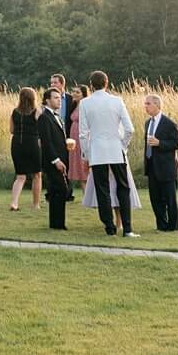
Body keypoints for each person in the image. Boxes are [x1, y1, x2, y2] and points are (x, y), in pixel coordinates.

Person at [78, 70, 136, 238]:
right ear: (107, 83)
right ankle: (127, 229)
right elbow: (130, 129)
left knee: (102, 190)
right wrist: (122, 146)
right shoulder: (117, 101)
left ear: (91, 85)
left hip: (97, 152)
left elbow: (83, 133)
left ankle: (110, 229)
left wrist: (86, 155)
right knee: (123, 188)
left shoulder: (85, 103)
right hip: (116, 150)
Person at [141, 92, 178, 232]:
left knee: (170, 199)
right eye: (145, 104)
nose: (145, 106)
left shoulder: (169, 123)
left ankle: (173, 226)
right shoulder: (147, 123)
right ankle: (161, 225)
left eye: (148, 104)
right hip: (151, 167)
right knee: (155, 199)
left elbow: (177, 144)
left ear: (157, 105)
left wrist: (160, 143)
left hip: (166, 168)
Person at [37, 86, 73, 231]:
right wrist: (56, 160)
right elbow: (46, 142)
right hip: (53, 160)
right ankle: (57, 224)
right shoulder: (44, 117)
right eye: (56, 98)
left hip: (62, 158)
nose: (59, 101)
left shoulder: (57, 116)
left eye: (60, 98)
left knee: (59, 190)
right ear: (47, 100)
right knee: (59, 189)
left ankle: (57, 223)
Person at [9, 87, 41, 211]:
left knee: (20, 177)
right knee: (36, 175)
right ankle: (36, 204)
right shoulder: (36, 111)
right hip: (32, 144)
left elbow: (11, 130)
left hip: (17, 143)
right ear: (33, 98)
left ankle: (14, 203)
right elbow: (42, 128)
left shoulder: (15, 112)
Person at [64, 83, 89, 187]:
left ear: (83, 94)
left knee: (84, 167)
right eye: (73, 91)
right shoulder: (74, 105)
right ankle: (85, 197)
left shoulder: (86, 106)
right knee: (78, 167)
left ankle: (89, 196)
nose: (74, 94)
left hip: (82, 137)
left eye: (77, 92)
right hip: (73, 138)